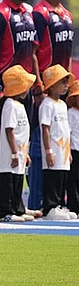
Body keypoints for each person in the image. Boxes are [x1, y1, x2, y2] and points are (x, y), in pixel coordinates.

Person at [0, 0, 38, 210]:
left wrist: (36, 82)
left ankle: (18, 202)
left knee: (22, 142)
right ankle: (2, 202)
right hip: (6, 91)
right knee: (3, 146)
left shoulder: (28, 13)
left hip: (26, 89)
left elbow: (33, 53)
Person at [30, 0, 73, 209]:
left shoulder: (66, 14)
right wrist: (38, 86)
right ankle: (38, 202)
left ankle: (57, 201)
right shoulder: (39, 14)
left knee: (60, 143)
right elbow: (33, 53)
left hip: (61, 89)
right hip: (45, 90)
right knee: (39, 143)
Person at [0, 66, 35, 222]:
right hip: (11, 152)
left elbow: (22, 132)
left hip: (20, 151)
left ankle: (18, 209)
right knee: (8, 180)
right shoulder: (10, 105)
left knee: (18, 180)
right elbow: (9, 130)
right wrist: (13, 152)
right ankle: (6, 211)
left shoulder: (20, 105)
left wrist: (25, 153)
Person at [38, 65, 75, 220]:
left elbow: (65, 129)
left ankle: (59, 204)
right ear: (52, 85)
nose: (66, 86)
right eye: (62, 82)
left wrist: (69, 152)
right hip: (53, 148)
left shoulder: (62, 104)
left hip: (64, 150)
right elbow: (45, 128)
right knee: (52, 177)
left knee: (62, 176)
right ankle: (50, 206)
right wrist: (48, 150)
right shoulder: (47, 104)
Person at [66, 82, 79, 215]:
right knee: (73, 179)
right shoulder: (71, 113)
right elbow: (67, 133)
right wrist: (68, 150)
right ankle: (74, 205)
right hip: (74, 149)